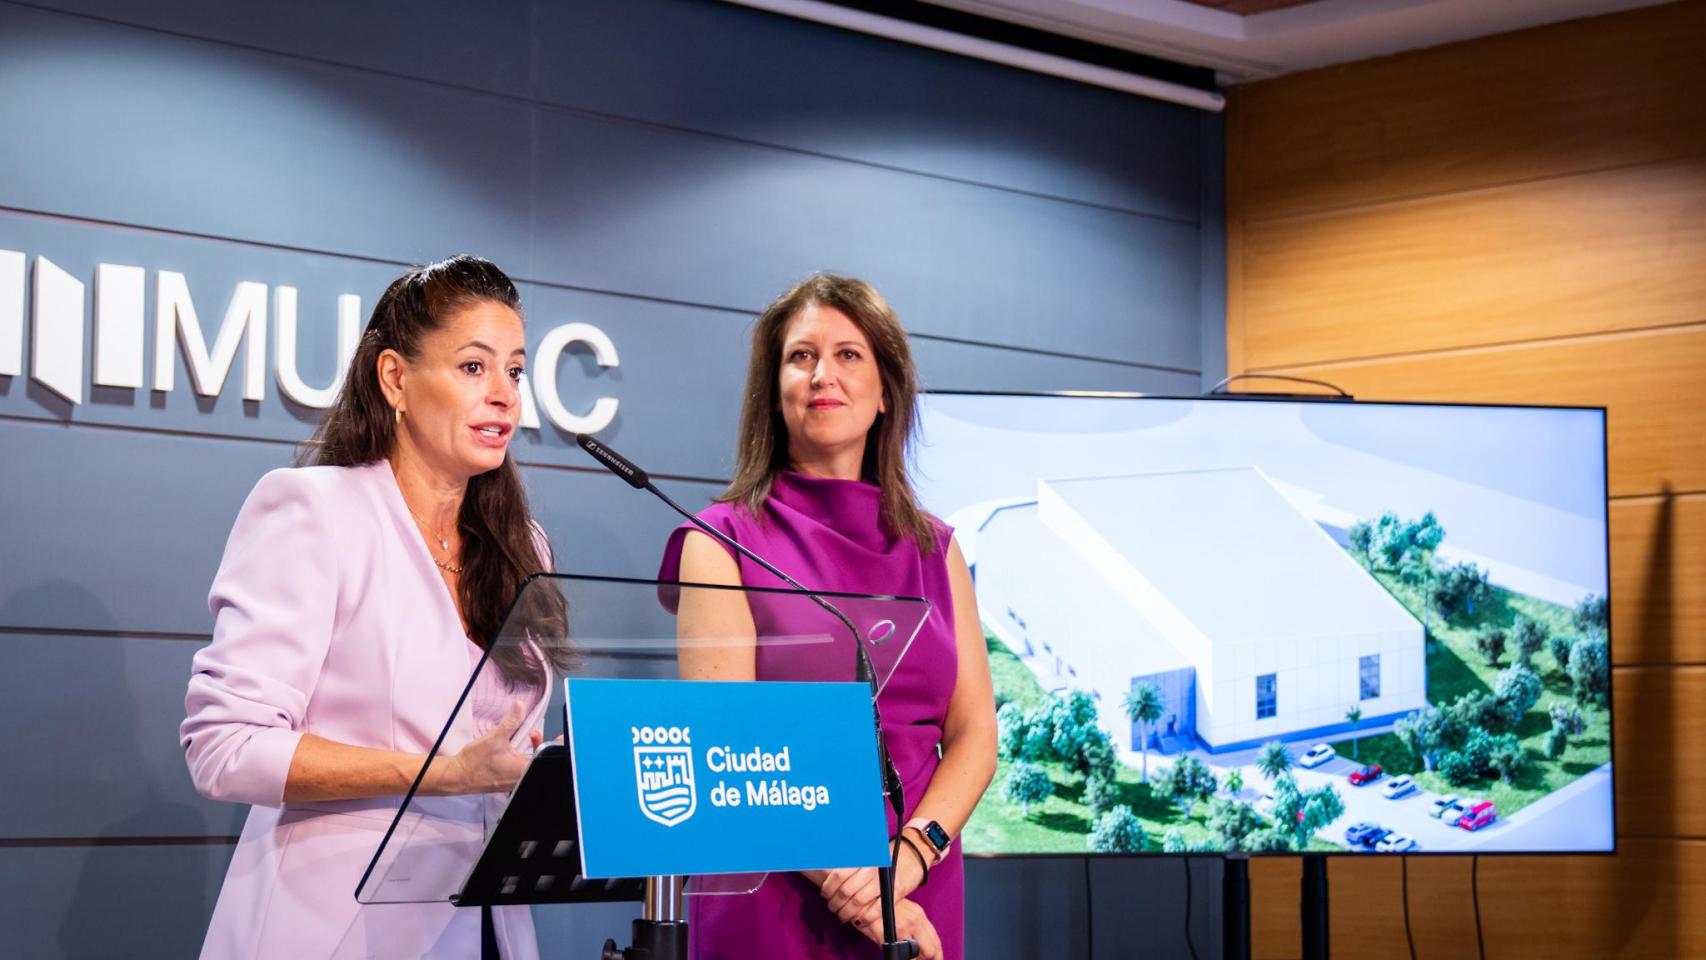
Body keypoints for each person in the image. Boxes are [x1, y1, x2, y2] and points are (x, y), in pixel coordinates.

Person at [181, 255, 565, 959]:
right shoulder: (313, 511)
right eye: (474, 368)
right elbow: (224, 748)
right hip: (334, 930)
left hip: (487, 929)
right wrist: (443, 773)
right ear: (395, 378)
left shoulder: (522, 546)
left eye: (514, 370)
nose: (505, 396)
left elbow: (503, 754)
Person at [659, 273, 997, 960]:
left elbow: (975, 734)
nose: (823, 374)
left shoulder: (938, 547)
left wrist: (905, 861)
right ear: (774, 391)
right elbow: (725, 744)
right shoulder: (719, 539)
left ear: (884, 393)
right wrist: (861, 888)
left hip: (917, 882)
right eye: (801, 356)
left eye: (849, 355)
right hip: (775, 887)